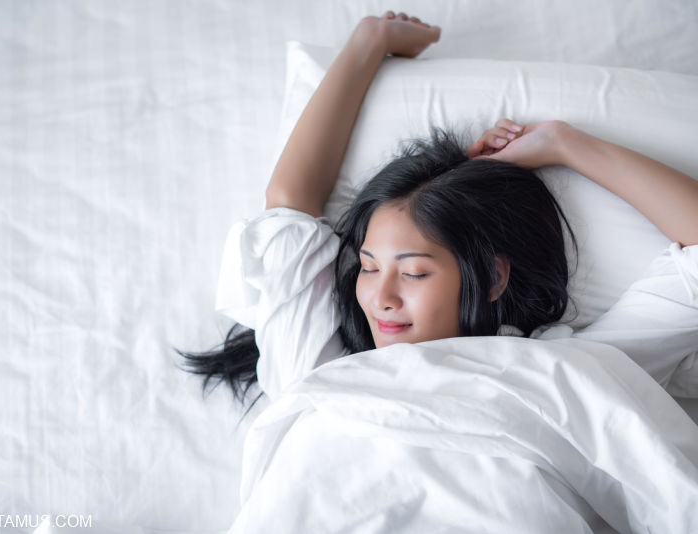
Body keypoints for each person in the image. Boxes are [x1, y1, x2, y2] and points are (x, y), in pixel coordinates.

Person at [180, 11, 698, 410]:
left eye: (413, 272)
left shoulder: (567, 371)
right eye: (368, 266)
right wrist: (368, 44)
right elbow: (288, 209)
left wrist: (564, 144)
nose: (379, 298)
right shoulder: (321, 374)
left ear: (492, 277)